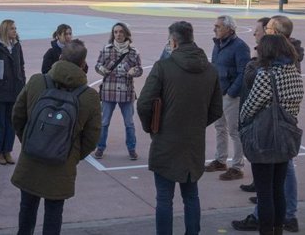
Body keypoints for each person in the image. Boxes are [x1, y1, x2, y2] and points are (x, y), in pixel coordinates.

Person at [137, 21, 223, 235]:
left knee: (164, 198)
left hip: (166, 140)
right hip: (193, 141)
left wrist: (152, 127)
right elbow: (216, 109)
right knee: (191, 195)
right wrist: (195, 124)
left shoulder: (163, 67)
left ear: (173, 41)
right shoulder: (210, 70)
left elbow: (144, 103)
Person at [11, 39, 101, 235]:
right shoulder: (89, 96)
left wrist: (29, 141)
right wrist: (73, 155)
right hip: (62, 163)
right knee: (54, 214)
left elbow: (17, 116)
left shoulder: (37, 81)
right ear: (83, 64)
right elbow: (92, 137)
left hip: (31, 160)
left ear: (60, 58)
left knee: (26, 210)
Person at [233, 16, 304, 233]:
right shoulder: (293, 72)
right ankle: (278, 229)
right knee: (277, 190)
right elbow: (297, 99)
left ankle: (265, 230)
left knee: (264, 193)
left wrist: (242, 124)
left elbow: (250, 107)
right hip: (286, 136)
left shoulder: (265, 74)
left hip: (265, 138)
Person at [205, 15, 250, 180]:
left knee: (234, 131)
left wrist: (232, 92)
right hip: (217, 93)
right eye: (215, 26)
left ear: (229, 29)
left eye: (218, 26)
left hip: (231, 96)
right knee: (219, 128)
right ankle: (220, 160)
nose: (214, 29)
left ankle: (237, 167)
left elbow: (244, 72)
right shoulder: (217, 44)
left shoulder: (240, 47)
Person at [94, 22, 143, 160]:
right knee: (104, 122)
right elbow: (97, 65)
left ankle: (132, 149)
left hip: (126, 92)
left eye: (121, 31)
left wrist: (135, 71)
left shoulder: (134, 52)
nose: (118, 34)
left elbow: (139, 69)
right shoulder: (106, 49)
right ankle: (100, 147)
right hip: (109, 91)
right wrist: (101, 69)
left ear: (126, 33)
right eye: (115, 32)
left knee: (129, 123)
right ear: (113, 34)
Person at [0, 19, 26, 165]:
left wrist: (23, 84)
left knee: (11, 123)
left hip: (15, 90)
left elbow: (21, 66)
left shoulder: (16, 46)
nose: (15, 31)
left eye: (15, 28)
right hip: (0, 91)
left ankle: (7, 150)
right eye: (12, 29)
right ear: (5, 30)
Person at [237, 17, 271, 195]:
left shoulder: (267, 62)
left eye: (257, 30)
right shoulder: (262, 56)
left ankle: (264, 199)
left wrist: (244, 114)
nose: (254, 33)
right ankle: (258, 183)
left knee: (270, 160)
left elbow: (253, 83)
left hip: (264, 118)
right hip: (261, 117)